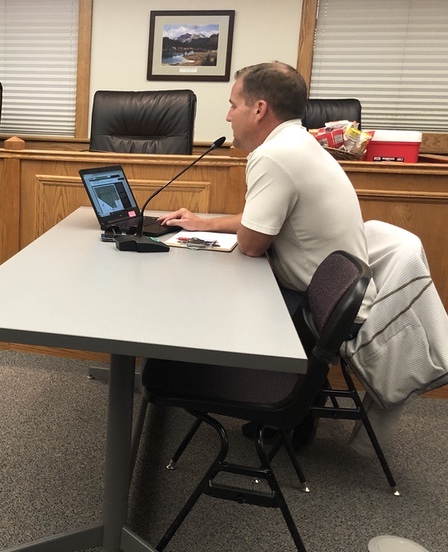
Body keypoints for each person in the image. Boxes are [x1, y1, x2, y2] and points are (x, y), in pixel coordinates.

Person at [157, 61, 376, 448]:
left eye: (233, 105)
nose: (228, 116)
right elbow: (261, 224)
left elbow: (252, 243)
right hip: (333, 300)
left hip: (318, 312)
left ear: (259, 109)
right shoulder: (298, 144)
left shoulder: (274, 156)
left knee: (202, 300)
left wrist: (214, 230)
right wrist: (203, 224)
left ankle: (177, 373)